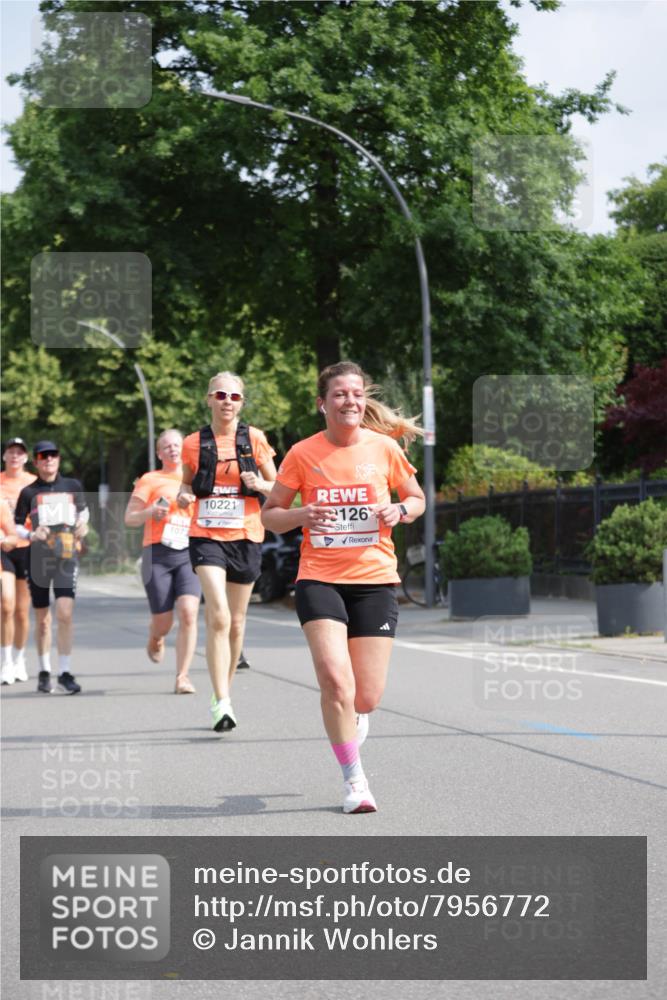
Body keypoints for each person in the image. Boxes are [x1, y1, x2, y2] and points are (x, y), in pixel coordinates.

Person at [262, 362, 425, 814]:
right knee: (335, 680)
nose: (349, 401)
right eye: (339, 394)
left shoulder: (384, 448)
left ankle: (354, 715)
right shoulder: (302, 453)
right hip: (319, 577)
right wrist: (301, 515)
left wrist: (401, 512)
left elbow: (417, 498)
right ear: (323, 404)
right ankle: (355, 780)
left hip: (374, 579)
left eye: (356, 393)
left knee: (365, 696)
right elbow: (269, 514)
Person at [178, 372, 277, 731]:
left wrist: (258, 483)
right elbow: (185, 487)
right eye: (220, 395)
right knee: (218, 615)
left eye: (234, 397)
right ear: (208, 399)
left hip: (246, 535)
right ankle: (221, 702)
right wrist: (184, 496)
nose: (227, 401)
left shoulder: (254, 439)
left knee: (236, 622)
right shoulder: (194, 443)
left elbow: (277, 488)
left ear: (241, 403)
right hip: (205, 535)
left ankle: (224, 694)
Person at [124, 429, 201, 694]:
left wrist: (193, 501)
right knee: (163, 621)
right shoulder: (150, 479)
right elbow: (129, 518)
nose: (172, 449)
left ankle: (182, 676)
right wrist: (150, 511)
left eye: (177, 445)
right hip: (157, 553)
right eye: (166, 446)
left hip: (189, 552)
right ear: (159, 453)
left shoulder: (195, 478)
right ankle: (156, 636)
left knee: (189, 612)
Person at [14, 440, 89, 694]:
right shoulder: (29, 492)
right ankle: (45, 670)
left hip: (67, 556)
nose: (49, 460)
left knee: (65, 613)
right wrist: (32, 534)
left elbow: (84, 514)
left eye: (53, 455)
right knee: (43, 620)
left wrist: (83, 526)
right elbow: (16, 526)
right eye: (43, 456)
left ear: (58, 458)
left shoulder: (73, 486)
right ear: (36, 461)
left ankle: (65, 672)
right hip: (38, 559)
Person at [1, 437, 37, 684]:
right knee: (6, 604)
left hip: (27, 547)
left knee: (22, 613)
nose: (15, 456)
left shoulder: (33, 483)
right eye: (10, 452)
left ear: (26, 458)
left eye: (19, 452)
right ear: (4, 456)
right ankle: (5, 662)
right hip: (2, 547)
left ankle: (19, 658)